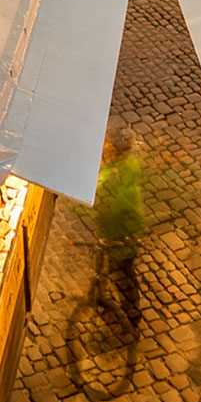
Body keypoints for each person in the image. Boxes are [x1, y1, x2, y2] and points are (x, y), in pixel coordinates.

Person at [89, 132, 147, 330]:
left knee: (122, 275)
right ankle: (121, 308)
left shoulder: (112, 177)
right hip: (125, 229)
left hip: (119, 233)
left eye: (109, 147)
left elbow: (109, 205)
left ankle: (130, 316)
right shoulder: (128, 165)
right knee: (123, 273)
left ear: (117, 153)